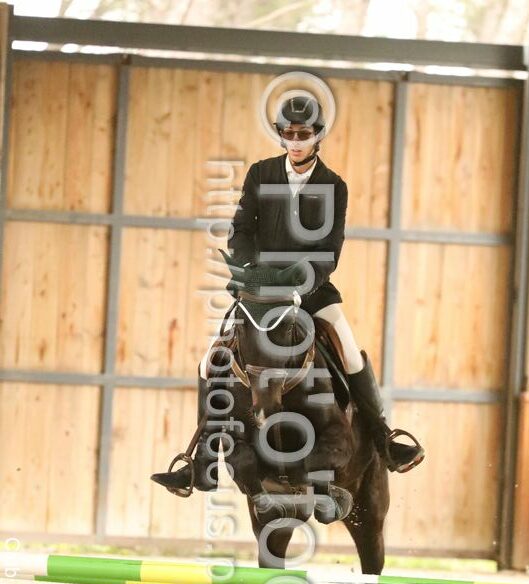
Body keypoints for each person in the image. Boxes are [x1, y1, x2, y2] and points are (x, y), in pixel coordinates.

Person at [152, 94, 424, 495]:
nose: (296, 141)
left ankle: (384, 440)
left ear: (317, 136)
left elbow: (330, 247)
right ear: (281, 135)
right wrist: (249, 272)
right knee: (209, 362)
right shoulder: (260, 174)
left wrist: (302, 282)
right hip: (261, 289)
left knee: (349, 349)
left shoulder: (334, 186)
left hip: (310, 289)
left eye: (304, 134)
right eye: (289, 134)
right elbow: (241, 229)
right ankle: (202, 463)